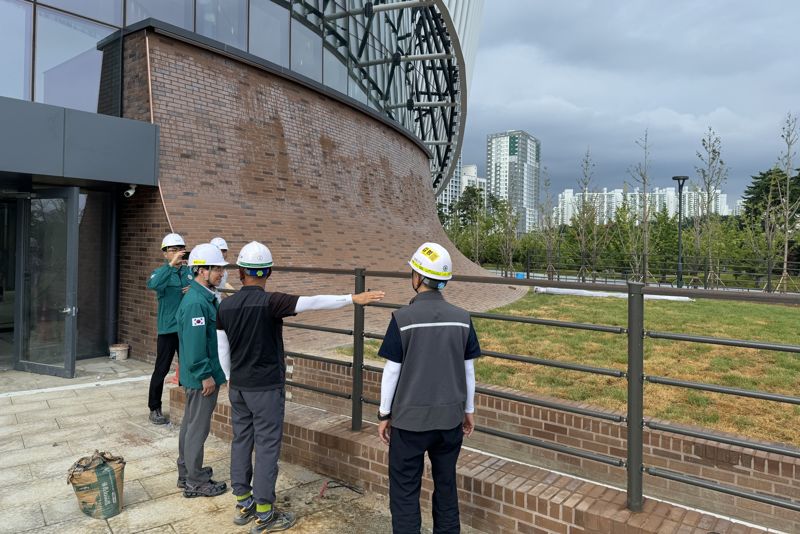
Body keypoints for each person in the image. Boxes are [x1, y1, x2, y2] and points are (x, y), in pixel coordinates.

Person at [216, 241, 384, 532]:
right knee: (267, 447)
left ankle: (243, 503)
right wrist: (351, 298)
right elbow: (312, 301)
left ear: (241, 272)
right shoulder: (272, 303)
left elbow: (222, 349)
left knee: (241, 441)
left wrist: (231, 377)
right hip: (266, 388)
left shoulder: (226, 305)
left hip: (239, 387)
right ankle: (265, 513)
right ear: (267, 272)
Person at [376, 242, 481, 534]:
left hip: (409, 423)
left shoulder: (402, 319)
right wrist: (468, 410)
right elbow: (468, 369)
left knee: (405, 493)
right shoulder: (463, 318)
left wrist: (384, 414)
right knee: (446, 487)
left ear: (418, 277)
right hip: (449, 421)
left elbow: (392, 371)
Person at [176, 243, 229, 498]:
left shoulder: (202, 297)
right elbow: (196, 345)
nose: (221, 273)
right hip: (201, 378)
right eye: (216, 268)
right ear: (201, 270)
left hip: (197, 376)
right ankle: (195, 481)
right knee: (198, 428)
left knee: (190, 424)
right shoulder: (197, 302)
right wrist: (205, 374)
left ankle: (186, 472)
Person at [146, 233, 192, 425]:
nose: (177, 253)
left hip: (186, 328)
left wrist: (194, 289)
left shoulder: (190, 271)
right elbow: (153, 285)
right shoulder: (161, 272)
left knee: (188, 367)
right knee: (162, 368)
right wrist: (171, 265)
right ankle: (154, 407)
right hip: (168, 329)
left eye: (179, 249)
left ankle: (185, 402)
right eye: (172, 250)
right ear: (165, 253)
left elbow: (206, 288)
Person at [210, 237, 234, 302]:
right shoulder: (205, 270)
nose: (222, 254)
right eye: (219, 251)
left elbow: (220, 288)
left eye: (224, 251)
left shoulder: (224, 272)